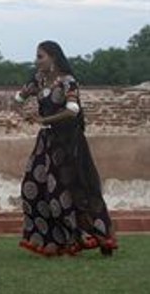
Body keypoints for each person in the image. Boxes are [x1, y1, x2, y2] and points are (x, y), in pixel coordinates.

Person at [14, 40, 118, 257]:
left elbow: (72, 110)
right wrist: (23, 112)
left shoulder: (67, 81)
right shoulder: (39, 80)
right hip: (47, 141)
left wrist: (44, 119)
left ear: (53, 57)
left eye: (40, 56)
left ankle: (99, 236)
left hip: (68, 141)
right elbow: (18, 98)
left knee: (71, 191)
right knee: (33, 187)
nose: (37, 60)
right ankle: (55, 239)